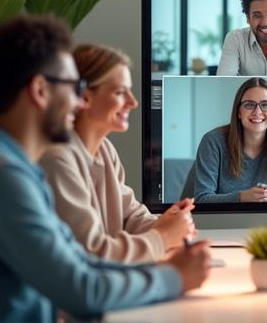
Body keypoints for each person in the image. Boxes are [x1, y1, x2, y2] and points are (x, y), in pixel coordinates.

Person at [0, 14, 210, 322]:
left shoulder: (5, 165)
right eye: (73, 87)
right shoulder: (2, 177)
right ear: (40, 90)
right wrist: (175, 276)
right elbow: (83, 288)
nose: (78, 102)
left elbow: (80, 263)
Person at [40, 43, 196, 264]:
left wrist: (167, 222)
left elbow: (130, 215)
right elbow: (91, 252)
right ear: (84, 97)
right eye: (120, 92)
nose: (133, 103)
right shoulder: (56, 160)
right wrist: (162, 237)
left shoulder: (104, 149)